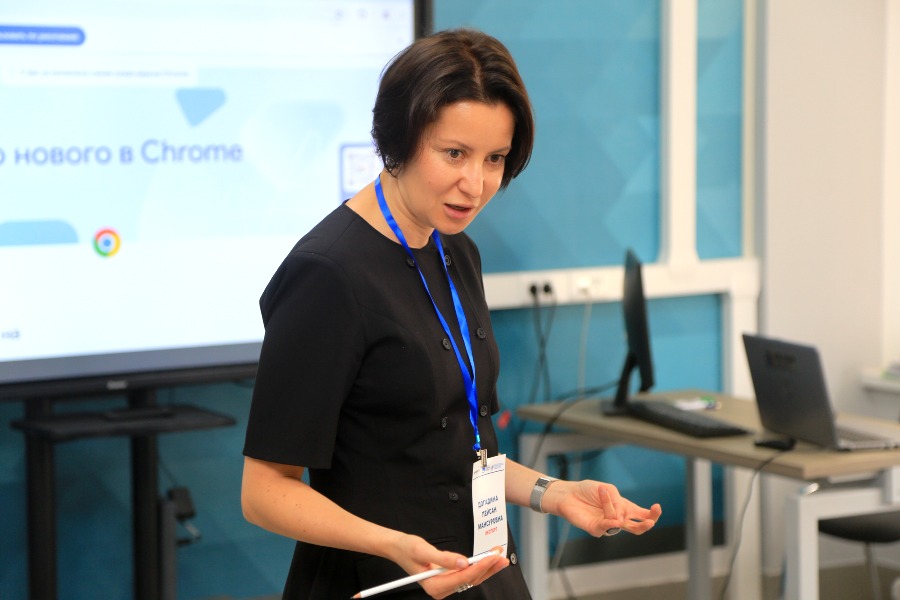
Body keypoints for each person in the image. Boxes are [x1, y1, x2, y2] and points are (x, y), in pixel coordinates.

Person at [241, 27, 662, 599]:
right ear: (399, 138)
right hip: (382, 580)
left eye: (495, 159)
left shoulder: (456, 250)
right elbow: (264, 490)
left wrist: (555, 494)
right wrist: (394, 546)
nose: (475, 184)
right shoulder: (328, 274)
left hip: (478, 566)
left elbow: (454, 447)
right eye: (454, 154)